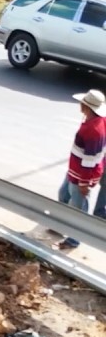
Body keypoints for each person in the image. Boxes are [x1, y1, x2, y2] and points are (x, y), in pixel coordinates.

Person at [57, 89, 106, 250]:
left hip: (81, 175)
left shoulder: (93, 130)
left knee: (79, 207)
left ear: (86, 106)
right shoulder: (94, 121)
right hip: (75, 169)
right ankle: (60, 224)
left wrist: (84, 183)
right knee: (63, 194)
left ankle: (74, 239)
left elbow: (90, 160)